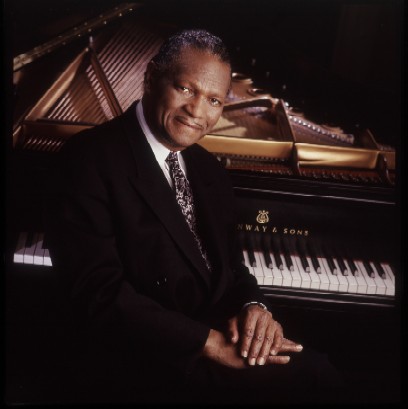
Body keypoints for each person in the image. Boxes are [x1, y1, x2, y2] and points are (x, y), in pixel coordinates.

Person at [46, 29, 343, 404]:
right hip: (145, 356)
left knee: (320, 372)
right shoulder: (88, 158)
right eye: (186, 89)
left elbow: (231, 266)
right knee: (317, 379)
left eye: (214, 100)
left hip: (211, 333)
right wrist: (209, 344)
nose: (197, 111)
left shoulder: (206, 167)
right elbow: (98, 293)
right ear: (151, 77)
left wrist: (254, 307)